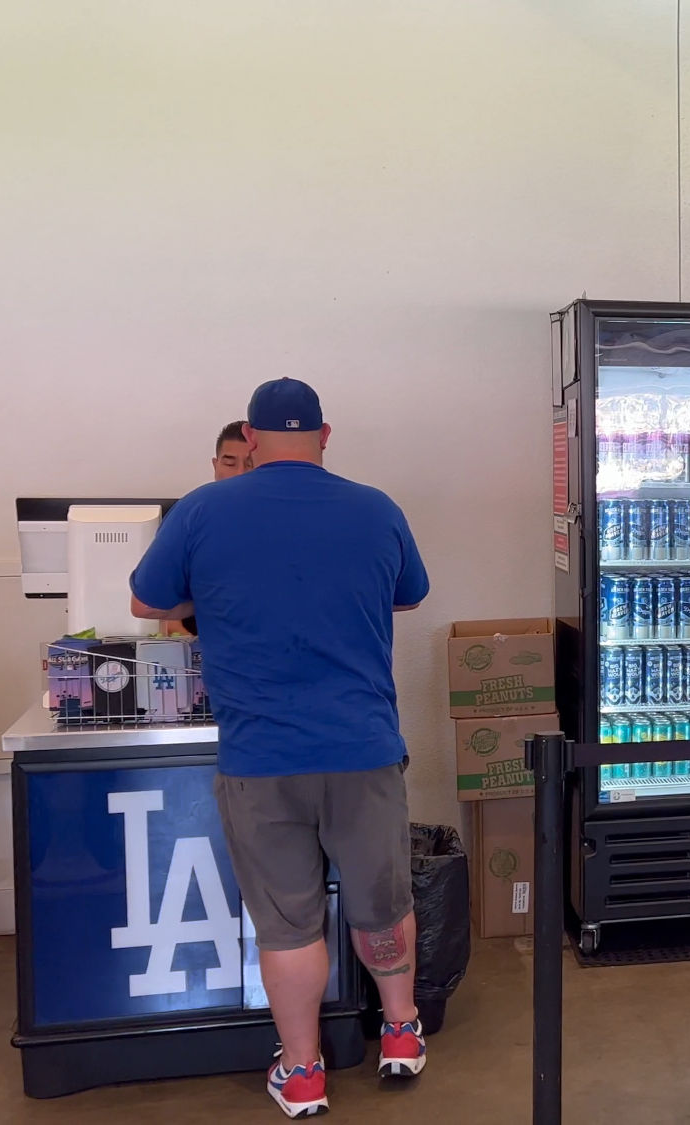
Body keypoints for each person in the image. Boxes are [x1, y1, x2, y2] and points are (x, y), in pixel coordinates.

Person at [130, 378, 430, 1120]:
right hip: (363, 748)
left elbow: (147, 601)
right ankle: (399, 1032)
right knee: (380, 902)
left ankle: (302, 1074)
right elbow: (410, 593)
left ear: (252, 441)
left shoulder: (204, 509)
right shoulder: (376, 507)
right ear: (326, 435)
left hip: (261, 757)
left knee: (288, 924)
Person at [167, 420, 256, 637]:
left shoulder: (281, 523)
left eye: (250, 464)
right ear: (215, 466)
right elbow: (164, 613)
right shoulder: (191, 518)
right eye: (229, 463)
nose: (240, 473)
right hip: (200, 650)